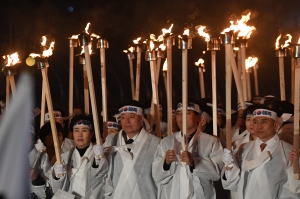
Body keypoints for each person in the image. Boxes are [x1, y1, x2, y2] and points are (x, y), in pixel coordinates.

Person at [221, 107, 300, 199]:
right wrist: (229, 167)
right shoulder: (243, 148)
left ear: (276, 125)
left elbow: (295, 189)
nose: (259, 126)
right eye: (255, 122)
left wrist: (295, 167)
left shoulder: (289, 151)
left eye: (264, 122)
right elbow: (232, 185)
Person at [152, 100, 223, 199]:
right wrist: (166, 163)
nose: (182, 117)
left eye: (187, 113)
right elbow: (156, 175)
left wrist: (194, 162)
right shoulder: (166, 142)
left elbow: (217, 173)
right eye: (178, 114)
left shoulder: (211, 142)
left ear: (198, 117)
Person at [103, 100, 161, 199]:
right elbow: (102, 172)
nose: (127, 121)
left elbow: (161, 176)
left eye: (131, 117)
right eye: (123, 117)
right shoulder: (111, 140)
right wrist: (98, 159)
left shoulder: (156, 143)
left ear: (141, 118)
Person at [50, 114, 108, 199]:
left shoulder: (99, 155)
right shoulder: (64, 158)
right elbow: (56, 189)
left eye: (84, 130)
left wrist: (99, 160)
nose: (80, 135)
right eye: (76, 130)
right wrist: (57, 177)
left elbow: (102, 176)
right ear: (72, 133)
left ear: (91, 134)